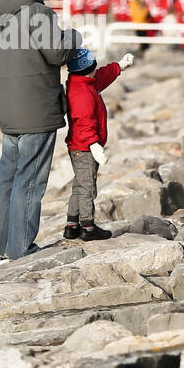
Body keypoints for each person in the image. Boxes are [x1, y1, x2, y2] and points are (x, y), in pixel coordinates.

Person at [0, 0, 87, 260]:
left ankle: (0, 247)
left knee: (8, 178)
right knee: (30, 180)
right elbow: (56, 53)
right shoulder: (38, 12)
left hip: (7, 109)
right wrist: (74, 37)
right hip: (37, 107)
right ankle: (21, 248)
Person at [63, 46, 135, 242]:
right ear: (89, 68)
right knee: (88, 187)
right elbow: (84, 122)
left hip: (79, 145)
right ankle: (87, 226)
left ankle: (72, 225)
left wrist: (119, 66)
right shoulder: (83, 94)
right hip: (85, 148)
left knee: (79, 185)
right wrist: (94, 145)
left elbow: (102, 76)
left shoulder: (83, 83)